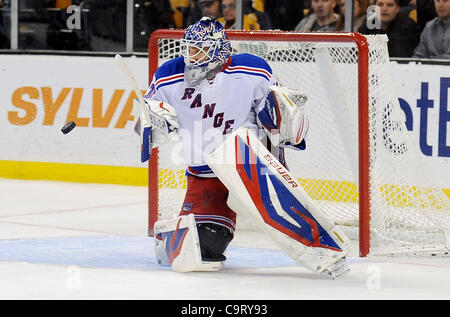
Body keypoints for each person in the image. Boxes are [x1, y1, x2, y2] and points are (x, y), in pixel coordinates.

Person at [142, 17, 350, 277]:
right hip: (204, 173)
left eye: (199, 49)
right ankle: (169, 238)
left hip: (248, 160)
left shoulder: (253, 69)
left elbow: (281, 116)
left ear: (218, 49)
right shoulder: (167, 74)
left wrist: (283, 117)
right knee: (205, 248)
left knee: (283, 210)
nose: (191, 55)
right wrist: (154, 121)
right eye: (189, 48)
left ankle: (326, 252)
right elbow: (145, 118)